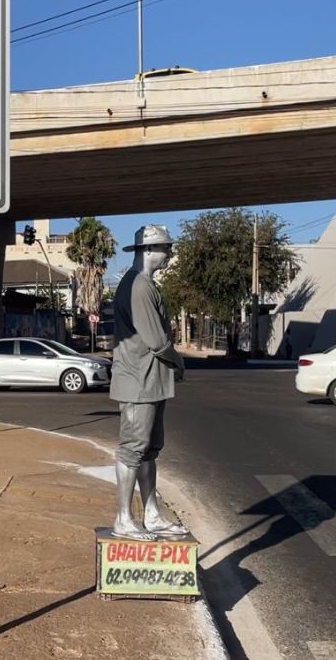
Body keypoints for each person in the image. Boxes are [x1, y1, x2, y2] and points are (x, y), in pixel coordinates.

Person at [109, 224, 188, 541]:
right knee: (133, 450)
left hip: (150, 382)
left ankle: (151, 514)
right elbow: (156, 340)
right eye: (165, 248)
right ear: (148, 251)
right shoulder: (138, 287)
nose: (168, 254)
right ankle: (123, 519)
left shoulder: (143, 285)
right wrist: (179, 361)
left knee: (148, 450)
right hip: (138, 384)